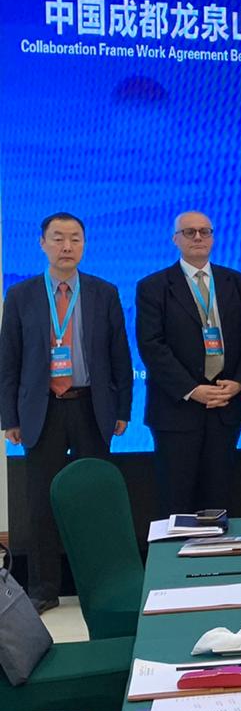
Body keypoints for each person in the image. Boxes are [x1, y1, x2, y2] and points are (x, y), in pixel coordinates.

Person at [0, 212, 132, 613]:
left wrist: (122, 409)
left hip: (91, 406)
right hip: (43, 410)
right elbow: (9, 361)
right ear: (42, 243)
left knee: (94, 498)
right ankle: (43, 589)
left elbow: (119, 357)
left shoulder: (103, 292)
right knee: (41, 501)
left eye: (75, 238)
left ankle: (99, 583)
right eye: (58, 238)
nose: (67, 246)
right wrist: (10, 418)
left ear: (84, 244)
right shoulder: (21, 294)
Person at [135, 211, 241, 518]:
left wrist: (240, 382)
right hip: (176, 412)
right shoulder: (153, 286)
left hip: (226, 409)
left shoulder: (237, 282)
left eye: (204, 231)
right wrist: (192, 389)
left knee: (220, 501)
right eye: (189, 233)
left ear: (213, 237)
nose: (198, 238)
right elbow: (152, 346)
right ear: (175, 240)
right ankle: (175, 565)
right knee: (177, 502)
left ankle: (217, 563)